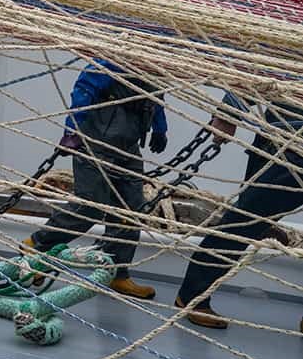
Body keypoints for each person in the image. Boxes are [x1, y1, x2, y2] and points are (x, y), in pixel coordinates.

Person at [23, 60, 168, 299]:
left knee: (130, 211)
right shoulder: (113, 58)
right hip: (96, 140)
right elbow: (85, 88)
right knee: (89, 205)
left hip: (128, 144)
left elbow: (155, 95)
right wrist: (72, 130)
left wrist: (160, 127)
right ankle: (37, 244)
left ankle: (116, 273)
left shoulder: (155, 60)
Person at [174, 93, 303, 329]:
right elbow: (260, 70)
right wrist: (227, 114)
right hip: (287, 145)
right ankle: (193, 295)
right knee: (246, 220)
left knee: (247, 219)